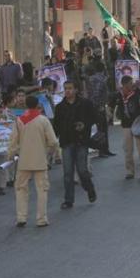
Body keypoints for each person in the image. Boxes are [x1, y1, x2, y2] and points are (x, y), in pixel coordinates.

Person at [7, 95, 59, 228]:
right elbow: (53, 141)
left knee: (20, 188)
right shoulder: (43, 120)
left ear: (26, 105)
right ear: (38, 105)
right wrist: (48, 153)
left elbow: (13, 141)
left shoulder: (19, 120)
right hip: (40, 160)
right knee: (42, 189)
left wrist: (10, 155)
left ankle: (21, 217)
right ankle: (41, 219)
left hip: (24, 160)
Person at [54, 80, 98, 208]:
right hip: (66, 142)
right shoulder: (60, 107)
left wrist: (84, 125)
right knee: (68, 173)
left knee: (82, 170)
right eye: (65, 88)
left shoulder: (85, 104)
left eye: (70, 88)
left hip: (81, 141)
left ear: (76, 90)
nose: (67, 91)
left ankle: (89, 188)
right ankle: (69, 200)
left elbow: (94, 118)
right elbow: (56, 126)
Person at [112, 75, 140, 180]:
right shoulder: (119, 94)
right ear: (124, 85)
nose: (132, 85)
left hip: (138, 123)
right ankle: (130, 171)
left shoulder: (136, 91)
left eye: (132, 83)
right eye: (129, 83)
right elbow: (112, 104)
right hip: (126, 124)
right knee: (128, 149)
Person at [85, 61, 114, 157]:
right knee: (102, 128)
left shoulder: (90, 79)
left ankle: (103, 149)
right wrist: (101, 105)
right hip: (99, 106)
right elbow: (99, 93)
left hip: (91, 106)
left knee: (99, 127)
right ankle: (103, 150)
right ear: (103, 68)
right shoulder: (102, 79)